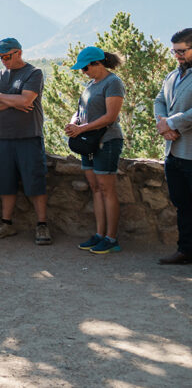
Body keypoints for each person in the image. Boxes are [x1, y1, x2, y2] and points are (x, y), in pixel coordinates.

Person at [0, 37, 52, 245]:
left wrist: (0, 97)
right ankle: (6, 222)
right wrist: (7, 98)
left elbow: (27, 100)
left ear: (18, 53)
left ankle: (42, 225)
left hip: (29, 136)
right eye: (1, 57)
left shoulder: (33, 73)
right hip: (4, 137)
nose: (4, 61)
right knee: (6, 183)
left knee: (35, 181)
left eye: (7, 56)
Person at [65, 46, 126, 255]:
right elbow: (80, 110)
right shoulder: (91, 84)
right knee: (95, 187)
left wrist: (81, 128)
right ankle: (99, 234)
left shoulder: (113, 83)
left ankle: (111, 237)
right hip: (88, 141)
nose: (83, 72)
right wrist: (73, 123)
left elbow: (110, 116)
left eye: (85, 68)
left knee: (106, 188)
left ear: (97, 64)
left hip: (107, 141)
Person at [154, 28, 192, 265]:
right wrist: (162, 124)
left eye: (182, 51)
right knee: (182, 206)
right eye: (174, 51)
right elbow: (159, 100)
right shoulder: (172, 76)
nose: (177, 55)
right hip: (173, 154)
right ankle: (185, 250)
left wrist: (172, 122)